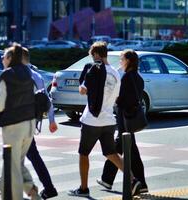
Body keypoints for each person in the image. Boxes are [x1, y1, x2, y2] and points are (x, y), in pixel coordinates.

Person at [68, 42, 141, 197]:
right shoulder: (116, 73)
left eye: (92, 55)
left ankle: (83, 188)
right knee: (111, 153)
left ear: (95, 54)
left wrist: (83, 84)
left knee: (83, 153)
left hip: (91, 121)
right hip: (109, 120)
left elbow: (83, 91)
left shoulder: (94, 70)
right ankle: (133, 180)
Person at [0, 47, 58, 199]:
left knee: (16, 159)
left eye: (4, 57)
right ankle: (33, 190)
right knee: (19, 159)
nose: (2, 60)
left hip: (16, 125)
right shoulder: (32, 75)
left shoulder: (12, 74)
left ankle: (25, 187)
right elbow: (44, 99)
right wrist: (51, 119)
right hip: (29, 123)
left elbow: (3, 103)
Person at [98, 49, 148, 193]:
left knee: (118, 148)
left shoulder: (126, 78)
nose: (120, 62)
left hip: (124, 116)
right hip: (131, 117)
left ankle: (114, 180)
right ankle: (109, 179)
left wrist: (114, 99)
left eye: (122, 59)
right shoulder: (138, 78)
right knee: (128, 149)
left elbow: (121, 97)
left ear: (128, 61)